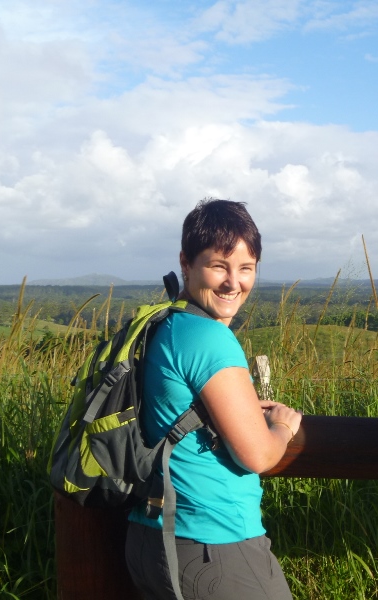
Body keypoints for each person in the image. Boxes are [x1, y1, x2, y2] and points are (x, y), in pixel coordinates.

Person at [125, 199, 301, 600]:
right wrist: (283, 428)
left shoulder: (167, 323)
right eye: (219, 266)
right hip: (212, 544)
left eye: (246, 268)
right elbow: (257, 455)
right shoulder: (209, 337)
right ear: (185, 263)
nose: (233, 282)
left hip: (151, 538)